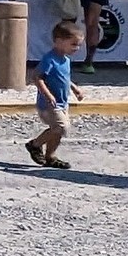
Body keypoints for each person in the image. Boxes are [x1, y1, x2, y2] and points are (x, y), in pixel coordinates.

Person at [26, 20, 86, 169]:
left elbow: (63, 77)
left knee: (58, 131)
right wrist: (47, 94)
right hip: (49, 104)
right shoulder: (49, 59)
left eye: (78, 45)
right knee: (61, 127)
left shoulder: (65, 60)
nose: (76, 48)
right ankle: (35, 144)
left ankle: (50, 156)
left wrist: (74, 88)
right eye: (73, 44)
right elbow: (37, 77)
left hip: (62, 102)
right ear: (59, 41)